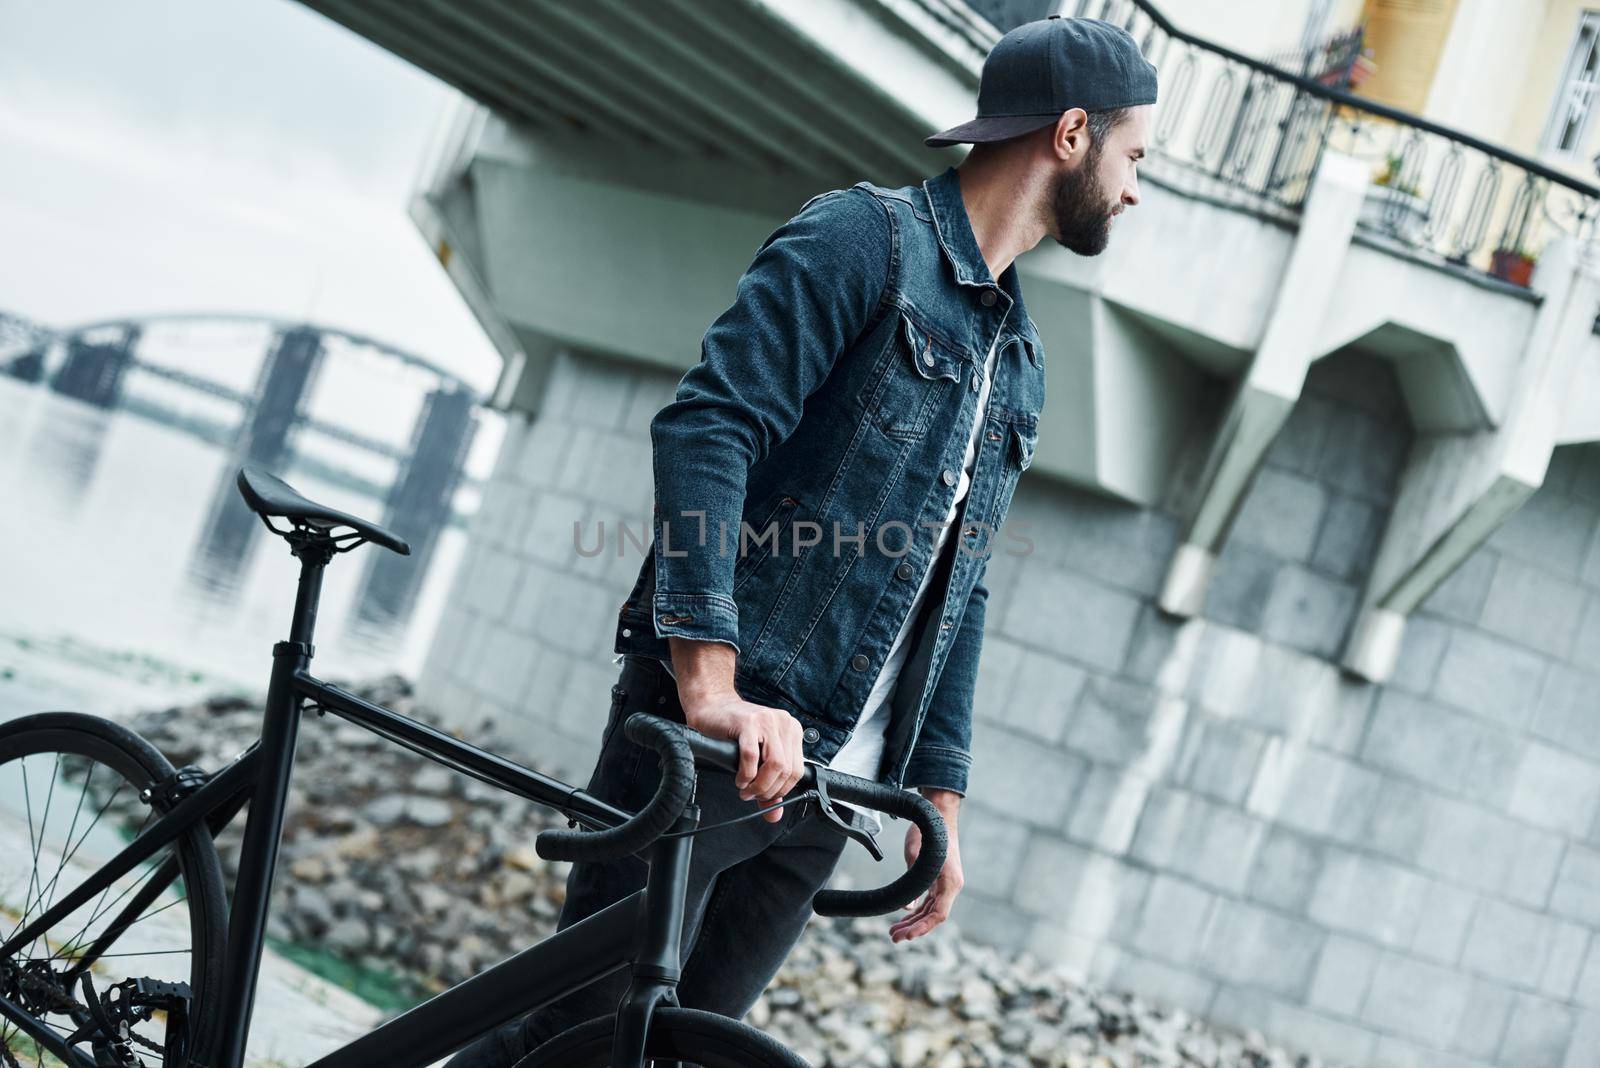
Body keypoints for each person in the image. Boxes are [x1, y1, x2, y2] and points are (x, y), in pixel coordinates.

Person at [448, 14, 1155, 1065]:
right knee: (584, 1040)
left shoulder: (1019, 357)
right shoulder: (862, 242)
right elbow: (707, 429)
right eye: (1134, 156)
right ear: (1067, 134)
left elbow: (963, 588)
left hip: (832, 786)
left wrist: (937, 799)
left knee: (664, 1051)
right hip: (720, 746)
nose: (1136, 188)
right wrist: (708, 684)